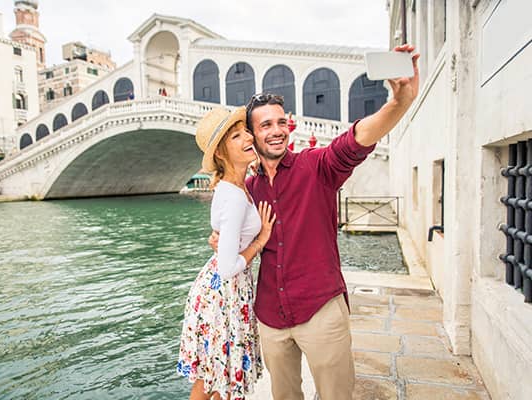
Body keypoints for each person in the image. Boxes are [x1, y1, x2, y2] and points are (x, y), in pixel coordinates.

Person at [209, 45, 420, 400]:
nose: (277, 131)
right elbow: (230, 232)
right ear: (252, 135)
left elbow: (357, 139)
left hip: (321, 311)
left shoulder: (317, 167)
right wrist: (220, 239)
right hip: (270, 316)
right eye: (265, 125)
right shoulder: (247, 189)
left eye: (281, 122)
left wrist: (398, 103)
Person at [177, 106, 277, 400]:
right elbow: (227, 266)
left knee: (217, 377)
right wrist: (261, 240)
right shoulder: (233, 195)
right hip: (224, 293)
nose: (247, 136)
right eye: (236, 136)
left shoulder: (237, 186)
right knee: (216, 380)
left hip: (226, 291)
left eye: (245, 130)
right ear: (221, 153)